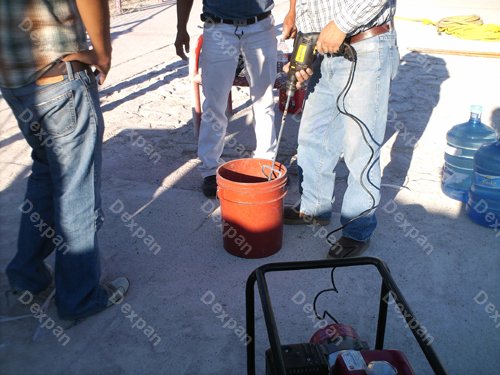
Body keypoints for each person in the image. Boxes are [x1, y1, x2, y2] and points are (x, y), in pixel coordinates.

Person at [0, 0, 129, 321]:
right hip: (57, 75)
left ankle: (27, 278)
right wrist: (102, 52)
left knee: (45, 171)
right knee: (77, 190)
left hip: (12, 79)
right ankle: (80, 298)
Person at [282, 0, 399, 258]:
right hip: (323, 49)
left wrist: (341, 24)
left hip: (364, 44)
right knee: (314, 136)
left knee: (361, 146)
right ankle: (313, 208)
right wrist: (298, 25)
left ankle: (357, 228)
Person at [175, 0, 278, 197]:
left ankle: (265, 162)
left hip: (261, 27)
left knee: (264, 100)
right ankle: (210, 169)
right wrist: (181, 28)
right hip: (218, 29)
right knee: (214, 103)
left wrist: (292, 13)